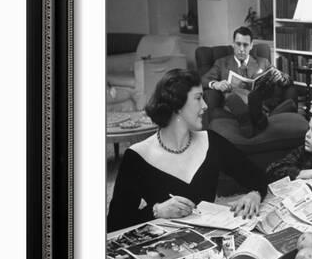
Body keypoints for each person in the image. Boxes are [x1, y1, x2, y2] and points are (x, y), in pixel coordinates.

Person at [107, 69, 267, 233]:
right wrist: (157, 211)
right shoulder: (137, 156)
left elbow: (258, 177)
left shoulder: (212, 141)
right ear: (177, 105)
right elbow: (115, 224)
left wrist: (254, 194)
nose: (205, 106)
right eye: (198, 98)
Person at [201, 26, 297, 137]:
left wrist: (280, 77)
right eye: (238, 44)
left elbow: (286, 78)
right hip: (234, 104)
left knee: (255, 96)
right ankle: (254, 120)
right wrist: (216, 84)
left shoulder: (262, 62)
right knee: (232, 98)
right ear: (233, 44)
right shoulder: (222, 63)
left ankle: (252, 119)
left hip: (259, 105)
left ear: (251, 46)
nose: (241, 49)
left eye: (245, 45)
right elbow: (203, 79)